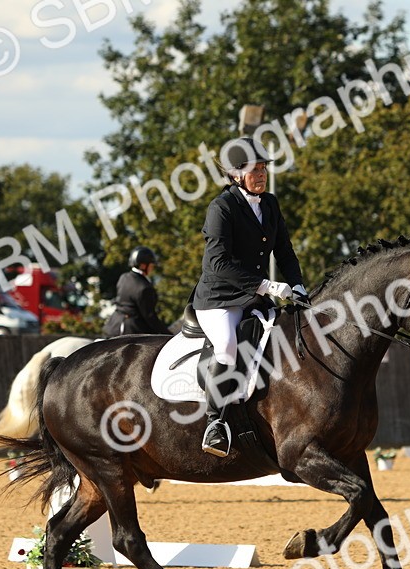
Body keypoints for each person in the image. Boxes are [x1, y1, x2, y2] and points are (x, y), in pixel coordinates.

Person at [192, 136, 308, 457]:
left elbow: (284, 251)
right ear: (235, 174)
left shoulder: (269, 203)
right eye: (254, 169)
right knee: (228, 347)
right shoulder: (222, 208)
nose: (261, 174)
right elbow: (218, 263)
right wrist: (268, 286)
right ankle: (215, 424)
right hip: (219, 299)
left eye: (263, 168)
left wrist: (297, 285)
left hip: (253, 298)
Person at [103, 246, 172, 337]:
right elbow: (150, 317)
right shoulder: (144, 287)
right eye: (151, 265)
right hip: (132, 329)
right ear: (143, 266)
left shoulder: (124, 277)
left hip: (113, 324)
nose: (152, 268)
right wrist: (168, 335)